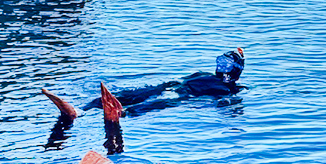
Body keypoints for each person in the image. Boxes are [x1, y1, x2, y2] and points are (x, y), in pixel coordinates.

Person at [79, 49, 248, 116]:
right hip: (173, 90)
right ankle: (84, 110)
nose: (221, 67)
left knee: (142, 100)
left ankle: (116, 112)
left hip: (174, 91)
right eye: (220, 62)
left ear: (235, 68)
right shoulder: (220, 85)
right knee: (128, 97)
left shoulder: (225, 88)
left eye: (225, 64)